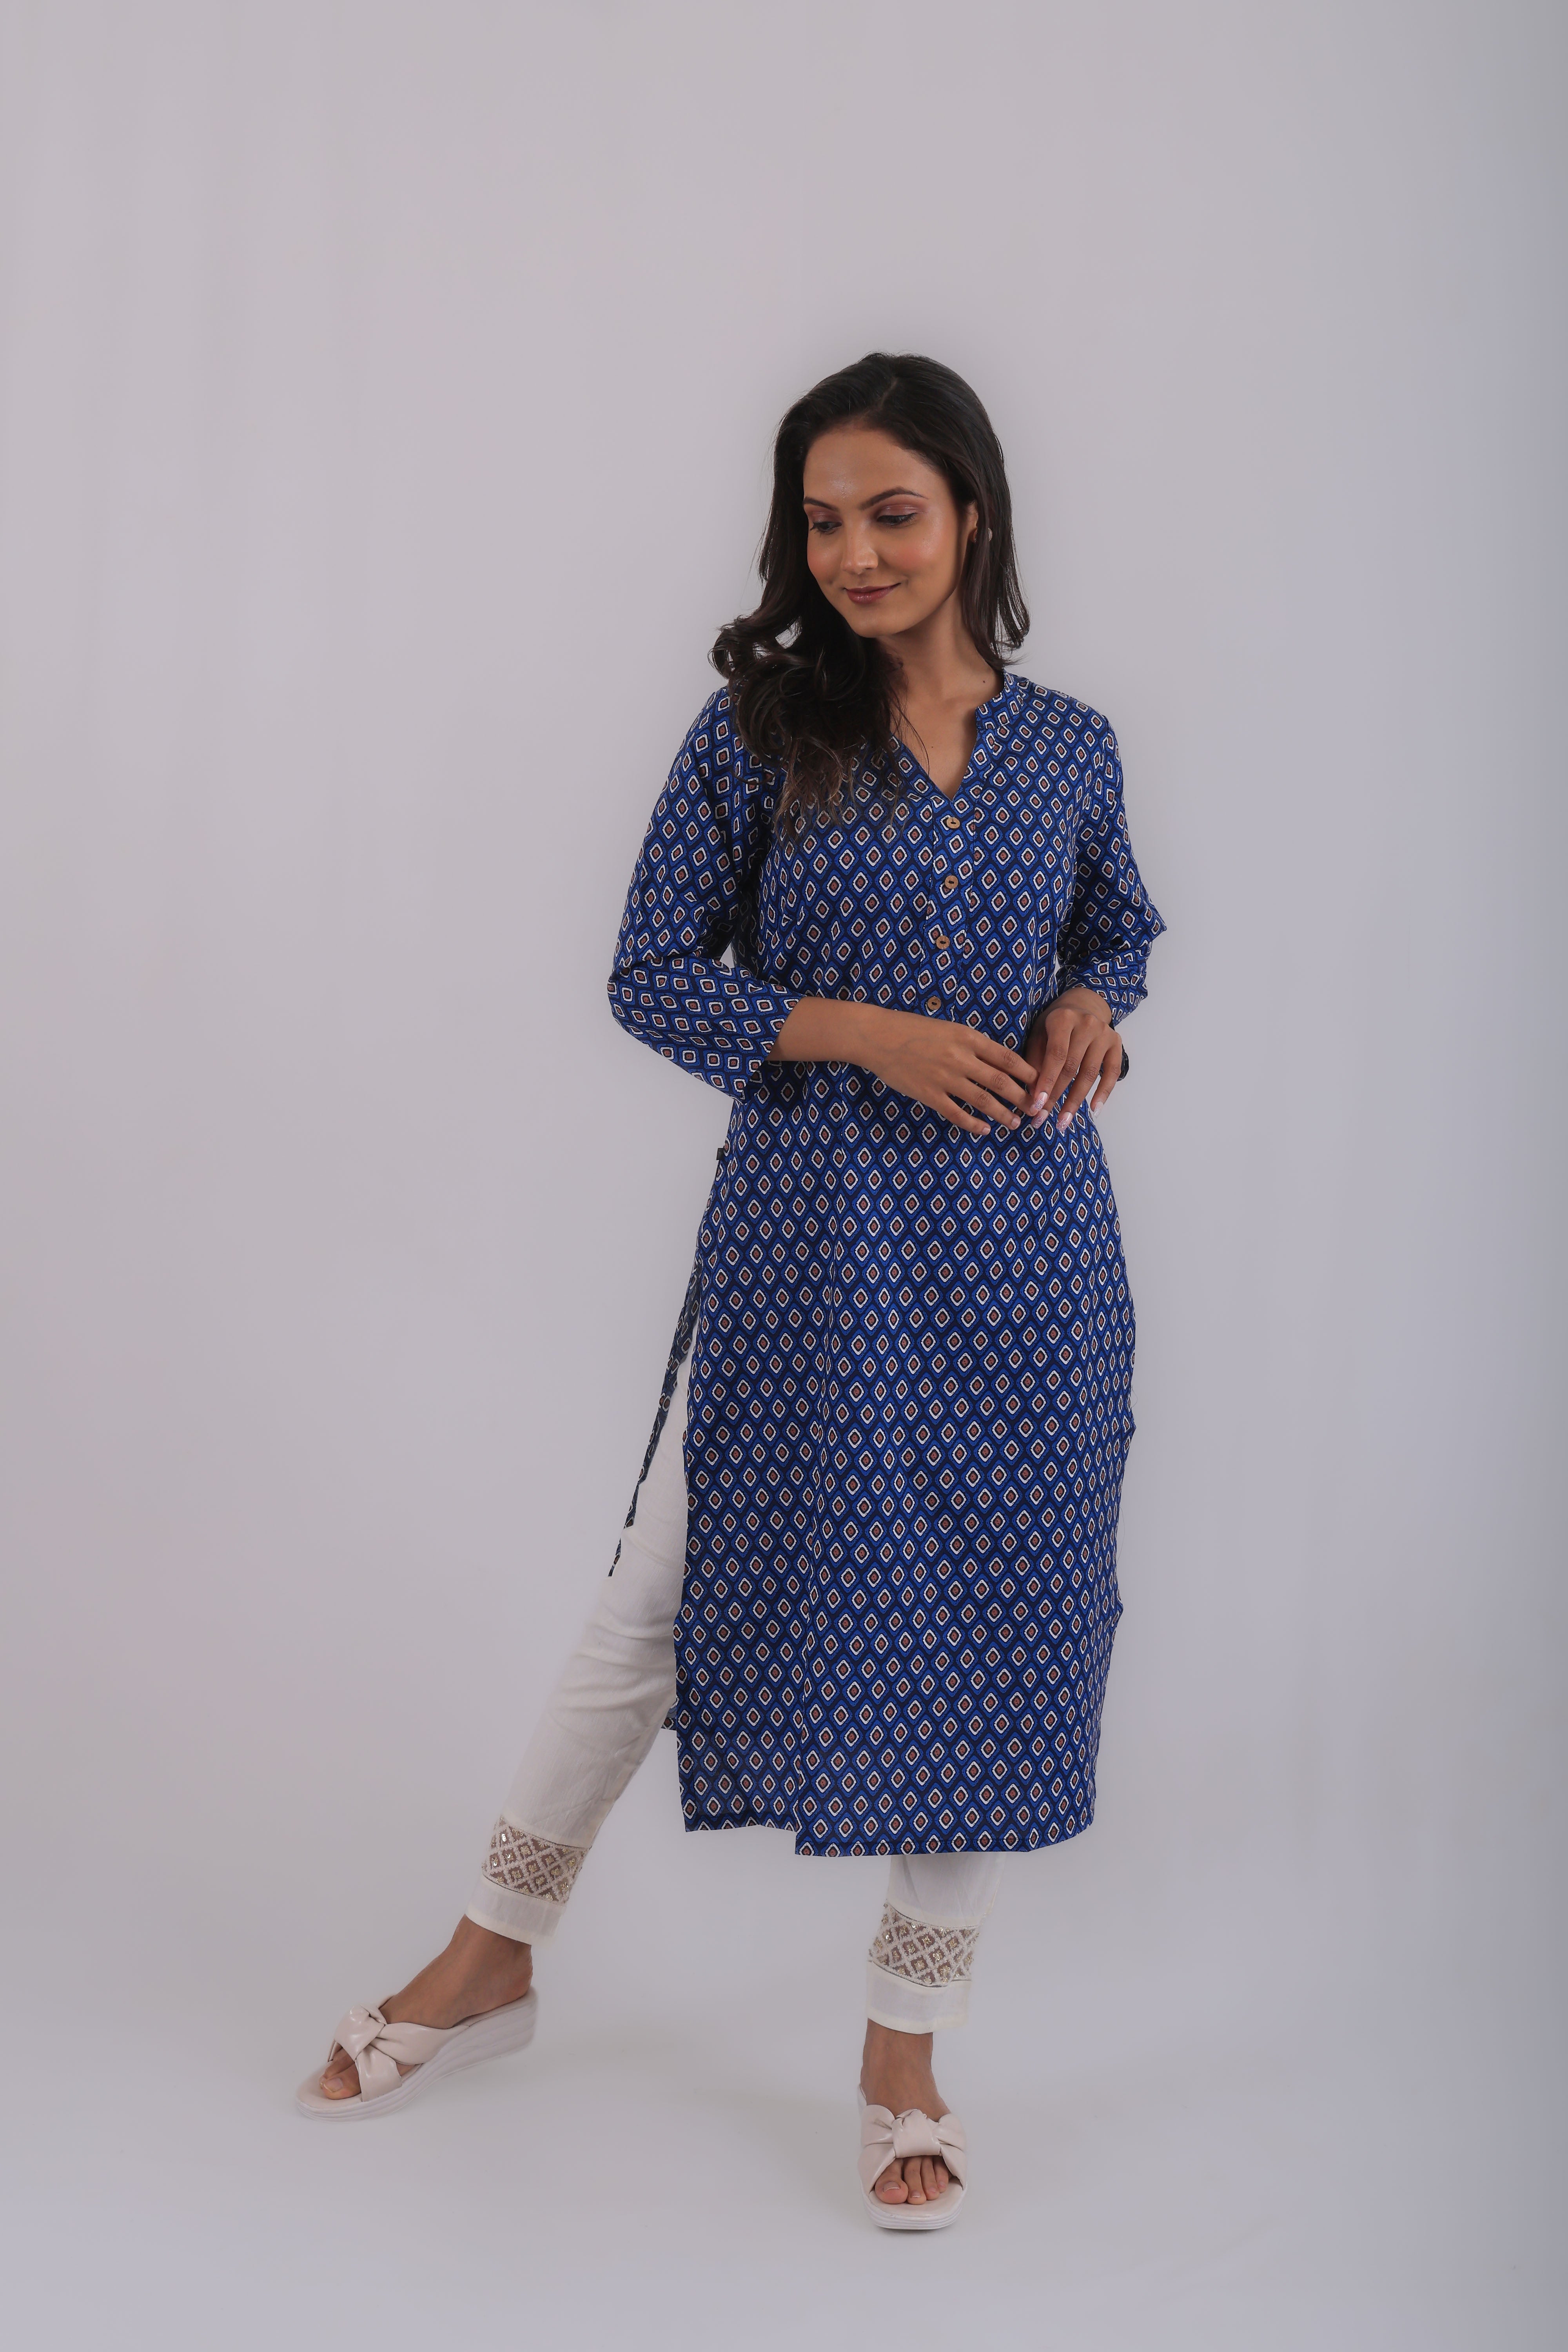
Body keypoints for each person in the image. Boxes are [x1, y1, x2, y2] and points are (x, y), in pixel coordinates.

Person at [296, 352, 1165, 2231]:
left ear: (973, 516)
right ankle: (492, 1956)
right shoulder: (762, 737)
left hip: (1029, 1261)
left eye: (891, 514)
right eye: (823, 521)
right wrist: (862, 1031)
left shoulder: (1073, 748)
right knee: (652, 1600)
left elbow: (1116, 923)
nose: (853, 553)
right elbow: (648, 973)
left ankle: (904, 2055)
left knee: (994, 1636)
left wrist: (1097, 1002)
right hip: (812, 1242)